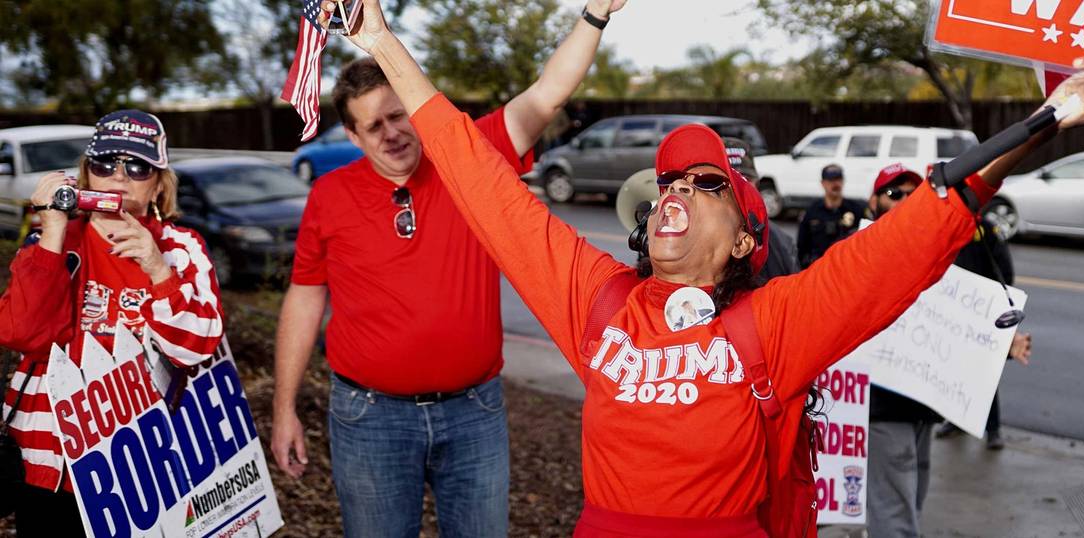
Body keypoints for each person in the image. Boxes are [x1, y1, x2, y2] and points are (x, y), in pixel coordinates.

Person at [322, 0, 1084, 532]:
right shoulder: (597, 302)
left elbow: (913, 239)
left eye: (705, 182)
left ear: (747, 239)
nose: (676, 187)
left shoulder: (773, 324)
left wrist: (1050, 118)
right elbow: (475, 176)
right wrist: (382, 39)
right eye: (670, 180)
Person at [270, 1, 628, 536]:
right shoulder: (330, 195)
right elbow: (304, 296)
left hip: (473, 414)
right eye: (373, 126)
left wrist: (595, 13)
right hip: (369, 418)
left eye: (398, 116)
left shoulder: (470, 155)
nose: (391, 134)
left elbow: (546, 95)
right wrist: (284, 408)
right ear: (352, 136)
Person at [0, 110, 224, 537]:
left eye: (137, 166)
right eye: (105, 164)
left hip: (139, 463)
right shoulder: (56, 240)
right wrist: (51, 233)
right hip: (50, 460)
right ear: (87, 175)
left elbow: (196, 348)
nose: (118, 177)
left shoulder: (181, 249)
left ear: (159, 183)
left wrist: (158, 269)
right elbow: (18, 333)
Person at [863, 165, 1032, 534]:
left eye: (912, 194)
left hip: (923, 403)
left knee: (914, 498)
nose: (904, 202)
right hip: (883, 406)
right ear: (872, 202)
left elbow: (954, 321)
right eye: (895, 195)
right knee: (895, 514)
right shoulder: (861, 251)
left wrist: (1002, 343)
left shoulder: (934, 250)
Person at [934, 217, 1030, 450]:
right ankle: (955, 420)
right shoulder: (946, 227)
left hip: (982, 312)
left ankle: (993, 429)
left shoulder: (986, 229)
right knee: (953, 368)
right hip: (952, 313)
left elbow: (1005, 272)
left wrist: (992, 303)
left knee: (984, 374)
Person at [723, 137, 799, 282]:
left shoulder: (781, 242)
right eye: (729, 180)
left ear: (757, 183)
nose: (738, 188)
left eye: (745, 179)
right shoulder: (693, 242)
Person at [796, 164, 865, 268]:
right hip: (818, 268)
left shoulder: (856, 210)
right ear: (823, 183)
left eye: (838, 179)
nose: (835, 184)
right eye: (831, 180)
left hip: (847, 267)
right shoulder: (812, 212)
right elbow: (802, 247)